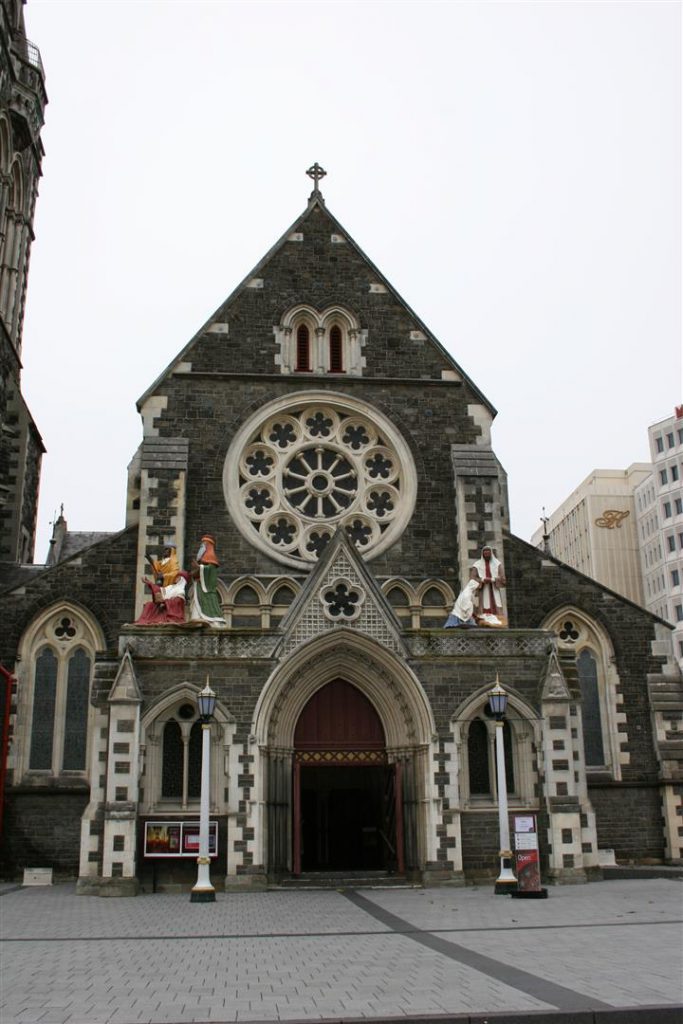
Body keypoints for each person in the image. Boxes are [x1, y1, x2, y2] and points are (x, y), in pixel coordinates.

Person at [189, 535, 226, 626]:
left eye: (204, 544)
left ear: (208, 546)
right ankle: (197, 617)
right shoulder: (201, 559)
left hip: (206, 588)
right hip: (199, 585)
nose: (202, 546)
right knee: (197, 601)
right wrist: (194, 572)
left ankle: (211, 619)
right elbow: (198, 571)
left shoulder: (211, 557)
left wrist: (199, 568)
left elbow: (210, 570)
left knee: (207, 600)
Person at [469, 546, 507, 627]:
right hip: (483, 589)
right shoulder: (477, 564)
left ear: (491, 553)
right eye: (485, 552)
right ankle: (484, 621)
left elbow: (503, 578)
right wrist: (482, 580)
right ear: (482, 554)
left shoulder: (497, 564)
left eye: (488, 552)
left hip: (494, 588)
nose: (486, 554)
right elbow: (472, 578)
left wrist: (493, 579)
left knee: (496, 604)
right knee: (483, 606)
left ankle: (498, 622)